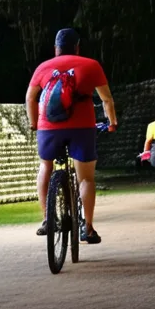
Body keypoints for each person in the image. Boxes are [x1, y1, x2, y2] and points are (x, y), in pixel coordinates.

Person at [25, 28, 117, 244]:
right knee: (86, 178)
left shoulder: (43, 67)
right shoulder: (91, 65)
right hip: (82, 128)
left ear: (56, 48)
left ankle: (48, 219)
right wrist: (112, 123)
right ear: (77, 47)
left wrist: (33, 124)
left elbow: (30, 98)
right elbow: (107, 100)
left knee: (45, 167)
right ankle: (89, 228)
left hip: (48, 127)